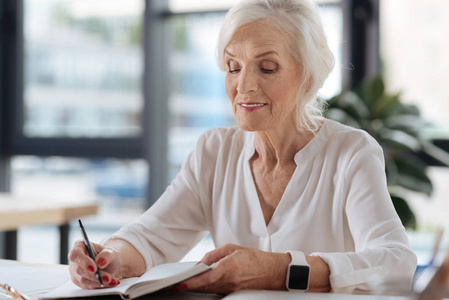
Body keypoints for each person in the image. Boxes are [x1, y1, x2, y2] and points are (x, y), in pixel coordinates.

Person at [68, 0, 417, 295]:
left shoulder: (351, 153)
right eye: (233, 67)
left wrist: (280, 270)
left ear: (308, 77)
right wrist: (111, 255)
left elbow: (396, 263)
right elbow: (152, 237)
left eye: (267, 68)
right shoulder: (214, 151)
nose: (243, 86)